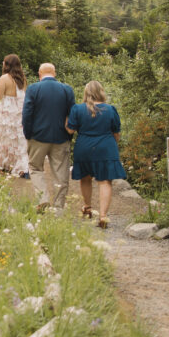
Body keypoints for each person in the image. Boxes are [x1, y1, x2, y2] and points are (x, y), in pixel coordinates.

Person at [66, 80, 127, 229]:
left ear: (86, 93)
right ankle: (103, 216)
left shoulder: (77, 109)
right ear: (101, 92)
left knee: (85, 179)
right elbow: (116, 133)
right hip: (106, 146)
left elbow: (70, 130)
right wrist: (112, 144)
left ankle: (87, 208)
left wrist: (65, 118)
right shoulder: (110, 109)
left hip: (84, 147)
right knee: (105, 181)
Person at [21, 62, 75, 213]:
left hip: (37, 136)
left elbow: (27, 114)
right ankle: (58, 207)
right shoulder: (67, 89)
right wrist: (69, 135)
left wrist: (28, 134)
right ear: (55, 73)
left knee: (35, 168)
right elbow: (73, 114)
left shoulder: (33, 89)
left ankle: (43, 199)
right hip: (61, 137)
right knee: (61, 173)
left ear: (39, 74)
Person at [0, 54, 29, 177]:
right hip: (18, 113)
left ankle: (4, 165)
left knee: (4, 139)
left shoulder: (4, 78)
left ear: (7, 65)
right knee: (19, 140)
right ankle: (23, 167)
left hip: (7, 113)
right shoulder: (22, 78)